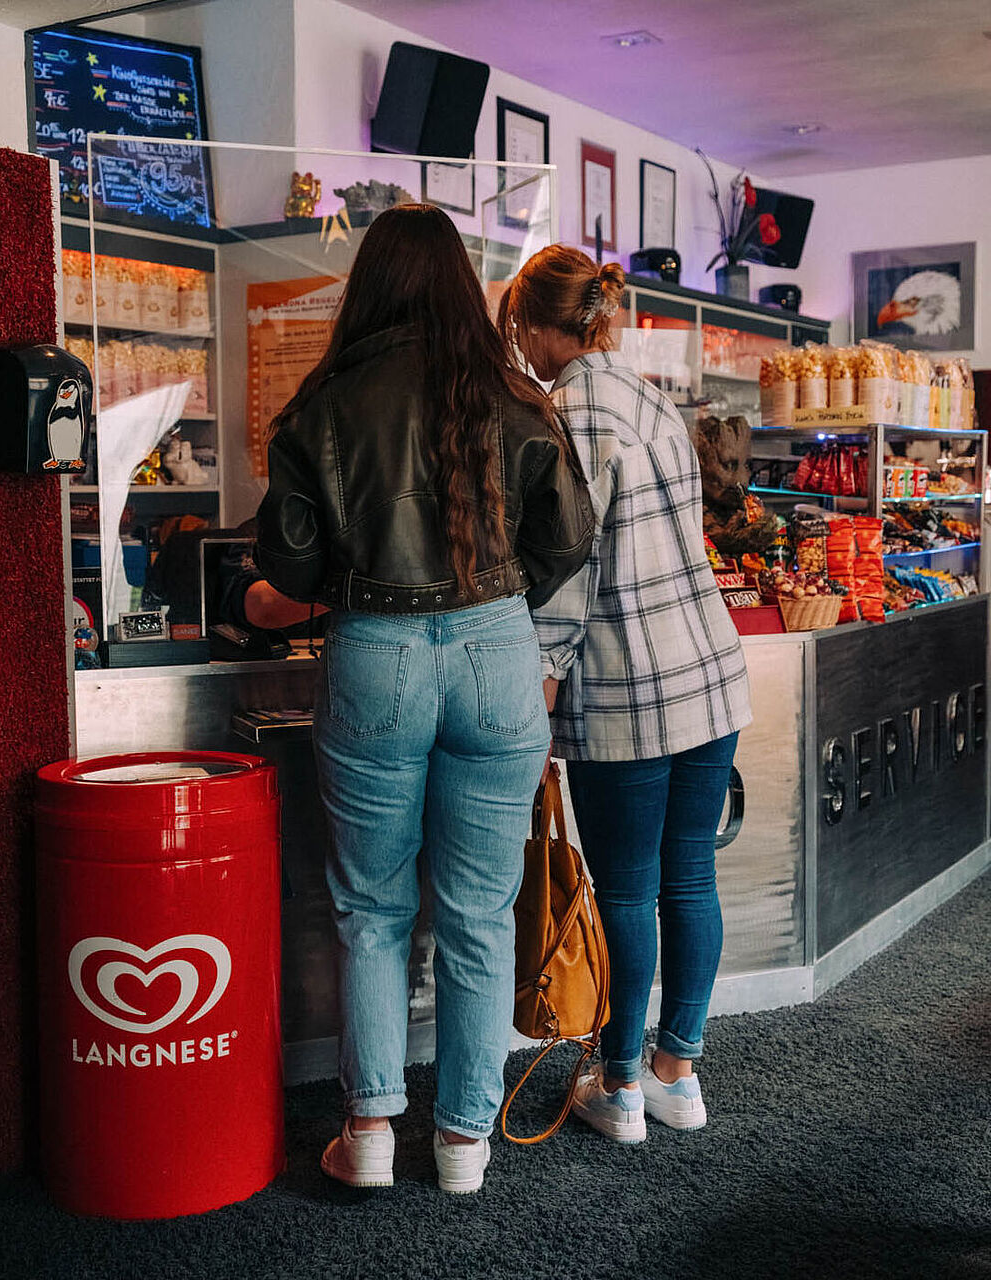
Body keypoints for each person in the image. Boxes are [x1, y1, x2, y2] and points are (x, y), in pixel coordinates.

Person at [254, 206, 594, 1192]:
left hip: (373, 652)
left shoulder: (321, 403)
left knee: (369, 908)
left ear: (368, 284)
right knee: (479, 912)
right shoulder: (516, 393)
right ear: (460, 286)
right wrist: (495, 592)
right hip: (495, 650)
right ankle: (462, 1143)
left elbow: (287, 559)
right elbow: (568, 534)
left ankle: (364, 1130)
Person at [499, 246, 752, 1144]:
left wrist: (534, 685)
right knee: (690, 875)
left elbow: (566, 575)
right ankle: (677, 1073)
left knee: (626, 890)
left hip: (627, 685)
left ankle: (619, 1088)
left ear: (533, 323)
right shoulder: (650, 396)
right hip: (709, 671)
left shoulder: (566, 410)